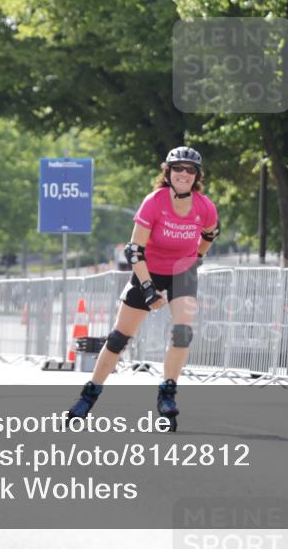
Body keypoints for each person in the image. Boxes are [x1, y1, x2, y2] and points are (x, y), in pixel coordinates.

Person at [66, 146, 220, 431]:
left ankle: (167, 393)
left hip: (181, 273)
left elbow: (211, 233)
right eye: (178, 168)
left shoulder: (205, 206)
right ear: (168, 172)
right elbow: (134, 250)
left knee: (182, 333)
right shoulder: (154, 202)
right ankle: (89, 395)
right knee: (119, 338)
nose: (183, 174)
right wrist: (148, 289)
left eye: (190, 170)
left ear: (196, 175)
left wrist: (197, 257)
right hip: (147, 270)